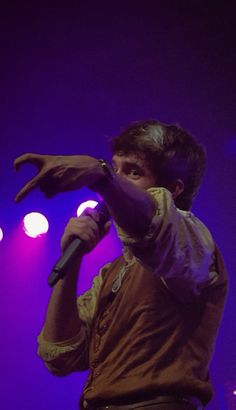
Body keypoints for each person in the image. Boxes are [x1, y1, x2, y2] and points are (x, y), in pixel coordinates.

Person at [14, 120, 228, 410]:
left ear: (174, 189)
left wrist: (100, 174)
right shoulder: (113, 272)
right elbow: (61, 355)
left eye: (134, 172)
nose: (117, 179)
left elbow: (156, 223)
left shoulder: (193, 240)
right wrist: (72, 259)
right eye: (116, 168)